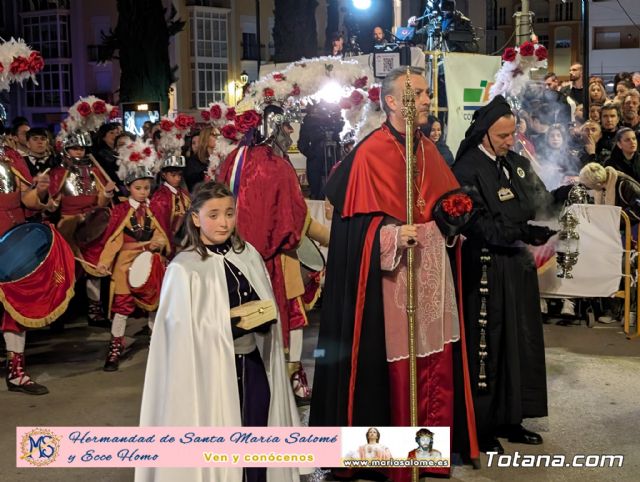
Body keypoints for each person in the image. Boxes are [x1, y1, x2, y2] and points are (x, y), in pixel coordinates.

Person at [310, 67, 478, 480]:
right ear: (391, 102)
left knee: (433, 367)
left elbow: (444, 203)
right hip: (386, 290)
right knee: (389, 375)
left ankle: (426, 454)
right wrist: (386, 234)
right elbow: (350, 235)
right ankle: (386, 458)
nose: (426, 101)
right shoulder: (370, 153)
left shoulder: (427, 149)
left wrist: (453, 218)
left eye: (425, 93)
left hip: (429, 278)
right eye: (418, 94)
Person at [135, 181, 302, 482]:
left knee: (257, 437)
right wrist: (229, 326)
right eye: (213, 215)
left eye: (229, 213)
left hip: (252, 367)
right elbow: (179, 337)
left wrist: (265, 319)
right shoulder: (184, 269)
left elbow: (265, 302)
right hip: (209, 378)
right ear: (196, 218)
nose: (224, 222)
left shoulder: (247, 254)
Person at [452, 95, 563, 455]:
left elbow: (538, 200)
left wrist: (566, 194)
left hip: (517, 266)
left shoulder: (515, 162)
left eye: (512, 134)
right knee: (488, 346)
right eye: (502, 136)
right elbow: (478, 222)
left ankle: (513, 418)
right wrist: (522, 232)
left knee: (520, 340)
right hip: (485, 269)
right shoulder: (467, 169)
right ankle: (481, 424)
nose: (509, 141)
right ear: (484, 134)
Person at [218, 107, 330, 405]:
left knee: (242, 317)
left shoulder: (232, 161)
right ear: (274, 129)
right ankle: (293, 377)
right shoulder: (278, 166)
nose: (290, 135)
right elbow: (294, 218)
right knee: (291, 314)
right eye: (286, 129)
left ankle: (247, 378)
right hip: (278, 260)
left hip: (235, 258)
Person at [94, 139, 170, 371]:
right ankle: (115, 346)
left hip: (150, 261)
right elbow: (113, 241)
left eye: (146, 188)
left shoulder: (154, 209)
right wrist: (104, 263)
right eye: (138, 188)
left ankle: (157, 342)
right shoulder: (120, 211)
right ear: (128, 187)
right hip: (125, 264)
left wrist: (158, 244)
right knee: (122, 305)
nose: (143, 192)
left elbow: (162, 235)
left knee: (153, 303)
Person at [0, 144, 57, 395]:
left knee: (15, 308)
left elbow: (28, 200)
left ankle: (17, 374)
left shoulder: (10, 156)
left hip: (13, 241)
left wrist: (40, 190)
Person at [47, 130, 116, 326]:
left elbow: (101, 201)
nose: (79, 151)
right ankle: (59, 311)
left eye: (82, 148)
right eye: (75, 148)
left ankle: (95, 311)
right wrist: (47, 200)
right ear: (67, 149)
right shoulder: (59, 172)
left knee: (94, 269)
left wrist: (108, 193)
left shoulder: (95, 171)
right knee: (64, 270)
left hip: (92, 225)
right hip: (68, 226)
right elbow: (52, 204)